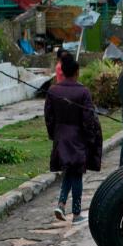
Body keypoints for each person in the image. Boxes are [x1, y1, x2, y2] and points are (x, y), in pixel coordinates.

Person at [46, 53, 103, 221]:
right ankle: (76, 213)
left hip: (61, 136)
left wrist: (54, 135)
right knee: (77, 173)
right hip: (78, 138)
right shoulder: (83, 91)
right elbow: (88, 118)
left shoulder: (53, 90)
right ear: (77, 71)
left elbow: (48, 117)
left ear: (62, 71)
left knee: (68, 171)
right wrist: (90, 138)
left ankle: (61, 204)